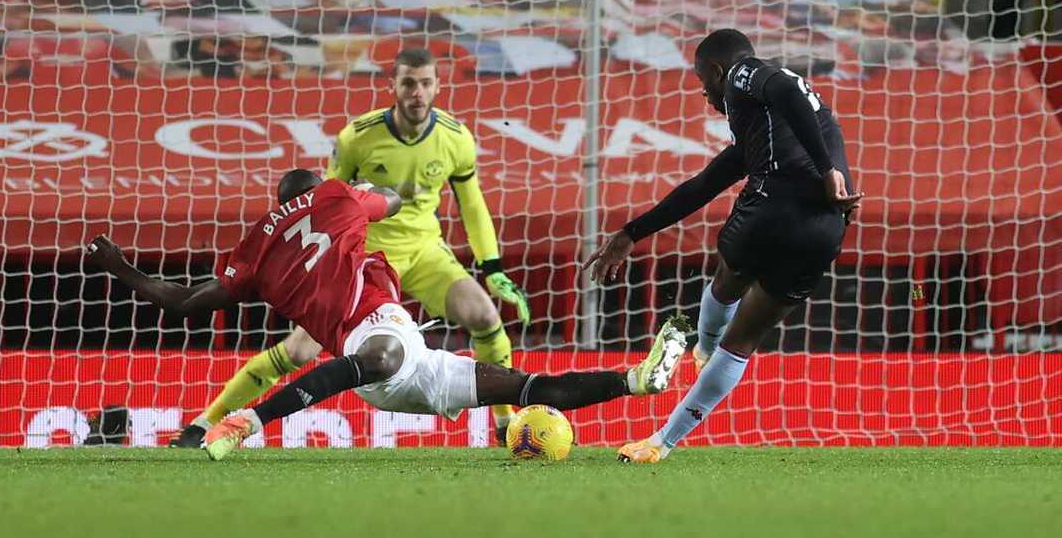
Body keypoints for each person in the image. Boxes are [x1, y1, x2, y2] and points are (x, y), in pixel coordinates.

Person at [85, 170, 692, 459]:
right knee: (386, 352)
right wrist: (365, 190)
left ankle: (637, 380)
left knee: (533, 389)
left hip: (399, 372)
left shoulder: (255, 253)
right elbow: (395, 198)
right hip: (378, 341)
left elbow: (185, 301)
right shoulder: (339, 195)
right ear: (318, 184)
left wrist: (120, 269)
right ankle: (244, 423)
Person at [168, 49, 531, 448]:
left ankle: (505, 423)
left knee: (483, 315)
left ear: (437, 86)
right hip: (364, 255)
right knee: (299, 349)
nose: (417, 92)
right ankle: (204, 423)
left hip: (425, 251)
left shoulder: (455, 138)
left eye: (426, 83)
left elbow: (472, 203)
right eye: (408, 83)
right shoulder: (358, 137)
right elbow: (326, 201)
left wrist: (492, 265)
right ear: (391, 86)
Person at [583, 28, 862, 463]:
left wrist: (827, 170)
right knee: (743, 344)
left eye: (702, 82)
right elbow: (702, 185)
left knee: (728, 275)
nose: (707, 95)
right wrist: (632, 232)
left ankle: (705, 345)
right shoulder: (773, 128)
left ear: (717, 71)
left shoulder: (742, 73)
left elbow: (785, 87)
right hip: (825, 228)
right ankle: (662, 442)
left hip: (772, 209)